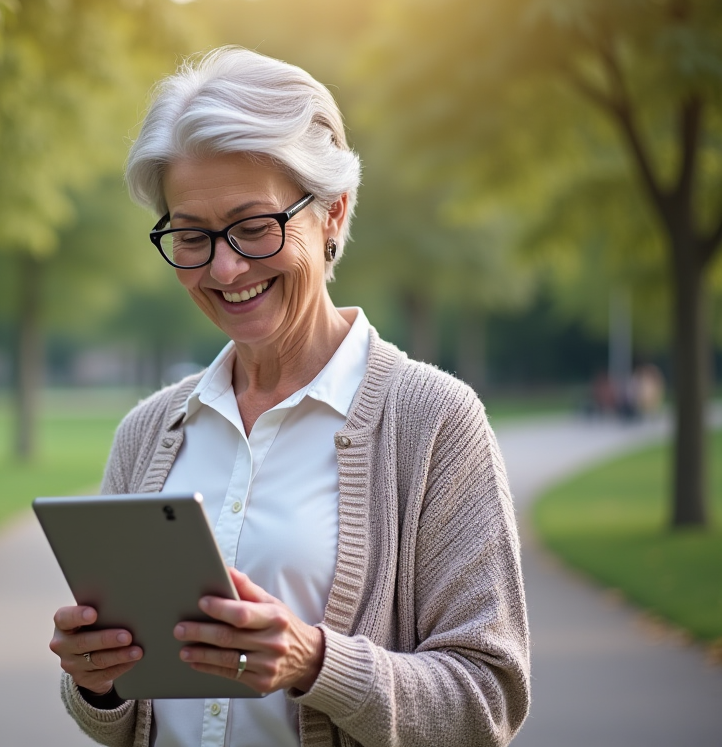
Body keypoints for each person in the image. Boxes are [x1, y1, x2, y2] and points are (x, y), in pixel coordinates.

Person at [48, 47, 530, 747]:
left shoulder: (434, 422)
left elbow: (488, 699)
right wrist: (97, 680)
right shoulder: (148, 433)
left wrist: (316, 663)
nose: (225, 267)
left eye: (253, 226)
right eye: (192, 235)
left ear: (332, 214)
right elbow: (126, 720)